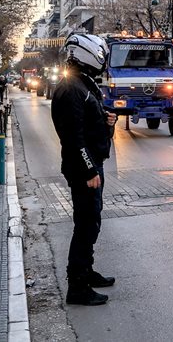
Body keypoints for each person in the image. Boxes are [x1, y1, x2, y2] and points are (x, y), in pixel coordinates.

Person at [50, 33, 117, 306]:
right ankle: (76, 286)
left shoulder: (83, 85)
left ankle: (86, 272)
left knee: (92, 222)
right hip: (83, 169)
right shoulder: (71, 89)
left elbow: (90, 128)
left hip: (91, 164)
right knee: (85, 225)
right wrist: (90, 171)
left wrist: (107, 122)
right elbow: (74, 138)